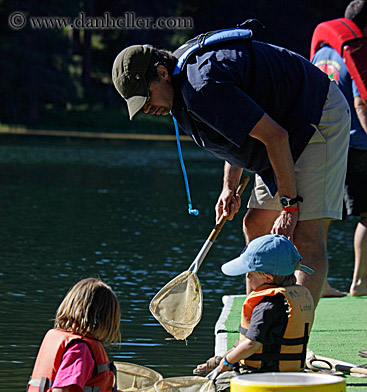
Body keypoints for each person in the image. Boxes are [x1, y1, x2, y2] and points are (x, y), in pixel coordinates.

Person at [112, 30, 350, 307]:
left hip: (315, 115)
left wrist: (289, 207)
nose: (146, 108)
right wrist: (228, 187)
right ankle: (261, 323)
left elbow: (276, 137)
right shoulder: (182, 91)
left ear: (162, 73)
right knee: (256, 223)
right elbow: (238, 132)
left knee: (304, 237)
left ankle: (293, 338)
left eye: (146, 96)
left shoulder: (202, 87)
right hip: (280, 130)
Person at [193, 234, 315, 392]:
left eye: (249, 273)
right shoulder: (292, 297)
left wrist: (227, 362)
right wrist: (220, 361)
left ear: (268, 277)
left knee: (214, 388)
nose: (247, 277)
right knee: (222, 369)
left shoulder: (267, 306)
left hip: (264, 377)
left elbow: (251, 344)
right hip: (290, 374)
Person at [311, 0, 367, 297]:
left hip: (324, 142)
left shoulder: (323, 51)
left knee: (322, 215)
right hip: (358, 143)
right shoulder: (356, 51)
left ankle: (320, 283)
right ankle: (360, 282)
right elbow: (361, 101)